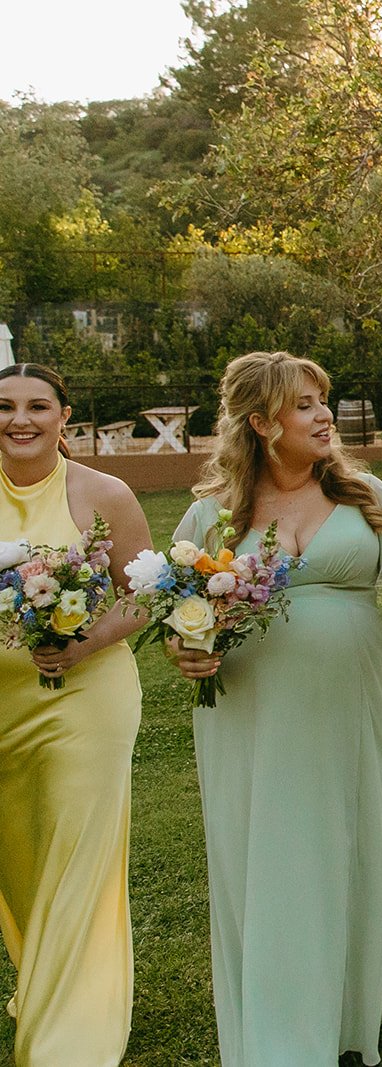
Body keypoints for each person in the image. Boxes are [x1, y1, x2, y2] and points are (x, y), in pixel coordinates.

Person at [167, 351, 382, 1064]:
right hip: (251, 707)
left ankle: (357, 991)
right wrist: (189, 650)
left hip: (359, 694)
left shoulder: (365, 495)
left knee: (358, 836)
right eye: (304, 404)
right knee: (270, 844)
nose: (325, 414)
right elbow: (180, 615)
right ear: (262, 422)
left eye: (323, 399)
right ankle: (284, 1007)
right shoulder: (211, 513)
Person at [0, 363, 151, 1066]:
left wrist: (80, 641)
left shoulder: (103, 493)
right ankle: (43, 981)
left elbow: (143, 593)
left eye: (36, 406)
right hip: (3, 706)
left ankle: (70, 1039)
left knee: (77, 852)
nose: (19, 419)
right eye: (4, 407)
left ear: (66, 415)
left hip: (87, 700)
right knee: (21, 864)